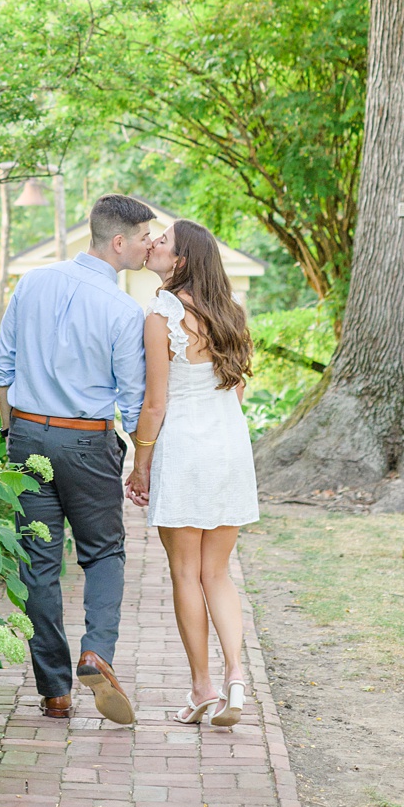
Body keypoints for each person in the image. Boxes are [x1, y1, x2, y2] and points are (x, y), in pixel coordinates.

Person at [0, 192, 153, 724]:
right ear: (120, 241)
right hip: (86, 441)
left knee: (38, 565)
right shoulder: (124, 310)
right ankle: (95, 653)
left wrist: (14, 432)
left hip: (27, 436)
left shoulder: (32, 282)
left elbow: (3, 369)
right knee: (104, 553)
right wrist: (143, 460)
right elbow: (132, 400)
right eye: (145, 237)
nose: (150, 245)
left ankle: (54, 691)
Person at [126, 219, 262, 726]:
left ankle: (203, 687)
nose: (154, 246)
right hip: (229, 446)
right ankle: (235, 676)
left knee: (186, 573)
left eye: (163, 243)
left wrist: (140, 465)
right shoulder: (232, 314)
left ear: (180, 261)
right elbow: (237, 390)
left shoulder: (161, 313)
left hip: (183, 448)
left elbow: (155, 404)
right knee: (217, 573)